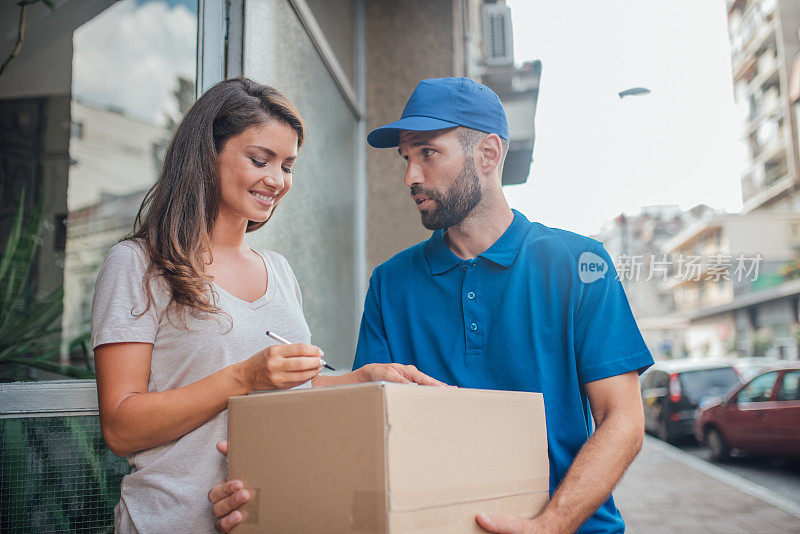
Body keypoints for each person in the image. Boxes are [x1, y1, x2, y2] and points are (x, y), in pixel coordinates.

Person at [211, 77, 653, 533]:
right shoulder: (390, 284)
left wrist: (551, 525)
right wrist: (263, 470)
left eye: (428, 153)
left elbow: (622, 420)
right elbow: (364, 428)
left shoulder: (579, 264)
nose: (410, 176)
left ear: (488, 154)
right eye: (406, 157)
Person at [92, 77, 441, 534]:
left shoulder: (278, 271)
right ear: (205, 154)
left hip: (270, 520)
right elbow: (121, 427)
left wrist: (361, 379)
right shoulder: (139, 264)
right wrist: (243, 377)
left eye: (288, 166)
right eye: (261, 160)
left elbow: (292, 392)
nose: (277, 181)